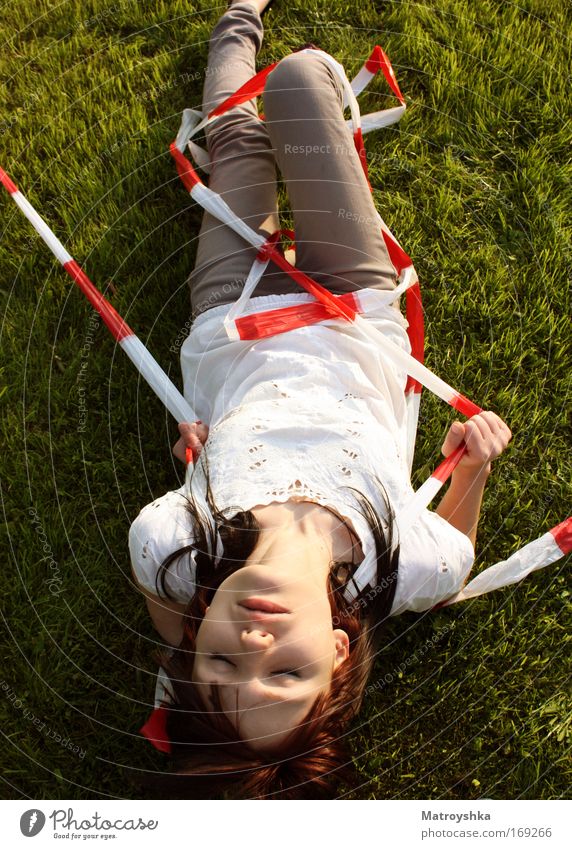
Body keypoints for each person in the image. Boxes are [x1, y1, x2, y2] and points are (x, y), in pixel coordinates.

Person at [129, 0, 512, 798]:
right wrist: (472, 466)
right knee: (303, 80)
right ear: (338, 651)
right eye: (288, 669)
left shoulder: (173, 540)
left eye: (225, 658)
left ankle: (235, 19)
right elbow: (461, 547)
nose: (258, 636)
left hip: (234, 315)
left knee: (236, 136)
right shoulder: (407, 563)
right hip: (351, 309)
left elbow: (157, 585)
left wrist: (192, 462)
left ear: (200, 638)